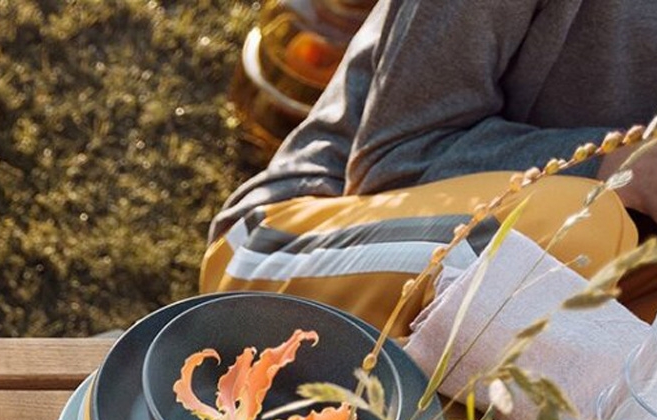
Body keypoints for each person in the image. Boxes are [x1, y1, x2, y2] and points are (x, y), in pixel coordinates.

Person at [205, 0, 657, 323]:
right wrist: (627, 167)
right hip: (293, 243)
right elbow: (392, 162)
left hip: (560, 297)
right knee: (581, 227)